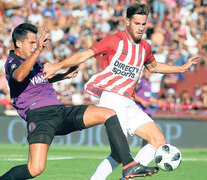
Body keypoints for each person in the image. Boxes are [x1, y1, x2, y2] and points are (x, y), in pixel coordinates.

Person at [43, 3, 199, 180]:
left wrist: (181, 68)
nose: (140, 28)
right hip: (112, 100)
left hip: (129, 102)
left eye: (143, 24)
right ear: (127, 22)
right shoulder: (114, 40)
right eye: (136, 23)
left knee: (158, 141)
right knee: (119, 153)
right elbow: (84, 55)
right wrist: (58, 65)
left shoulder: (145, 47)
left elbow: (154, 67)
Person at [0, 23, 159, 180]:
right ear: (19, 43)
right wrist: (38, 50)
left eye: (36, 42)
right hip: (40, 117)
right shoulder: (12, 62)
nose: (35, 46)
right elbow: (20, 76)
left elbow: (39, 80)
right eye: (32, 43)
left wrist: (63, 75)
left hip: (59, 111)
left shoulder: (32, 58)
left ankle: (129, 165)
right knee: (35, 169)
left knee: (108, 113)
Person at [134, 68, 158, 147]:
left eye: (150, 72)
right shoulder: (140, 81)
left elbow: (148, 97)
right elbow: (132, 94)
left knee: (150, 132)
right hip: (139, 111)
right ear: (143, 72)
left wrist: (158, 101)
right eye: (147, 72)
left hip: (147, 111)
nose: (148, 74)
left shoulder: (149, 83)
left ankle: (144, 149)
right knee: (148, 132)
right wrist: (141, 101)